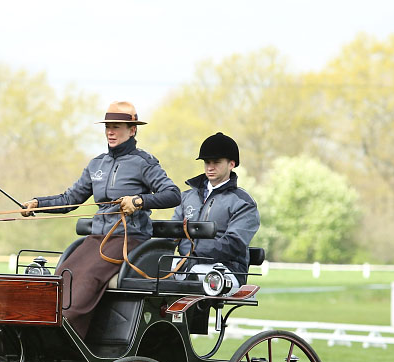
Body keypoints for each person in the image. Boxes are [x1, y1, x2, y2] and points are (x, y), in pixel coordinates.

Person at [22, 100, 180, 337]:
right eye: (108, 126)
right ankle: (47, 328)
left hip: (129, 239)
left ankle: (69, 333)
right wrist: (38, 204)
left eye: (117, 126)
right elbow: (71, 198)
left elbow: (173, 194)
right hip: (98, 238)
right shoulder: (97, 164)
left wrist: (139, 201)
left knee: (87, 278)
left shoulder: (143, 163)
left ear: (133, 130)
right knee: (63, 273)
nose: (110, 131)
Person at [170, 132, 260, 282]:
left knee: (192, 276)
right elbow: (172, 232)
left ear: (232, 164)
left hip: (227, 269)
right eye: (207, 162)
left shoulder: (243, 202)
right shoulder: (186, 197)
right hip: (186, 264)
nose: (210, 167)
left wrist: (196, 257)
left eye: (216, 162)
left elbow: (234, 243)